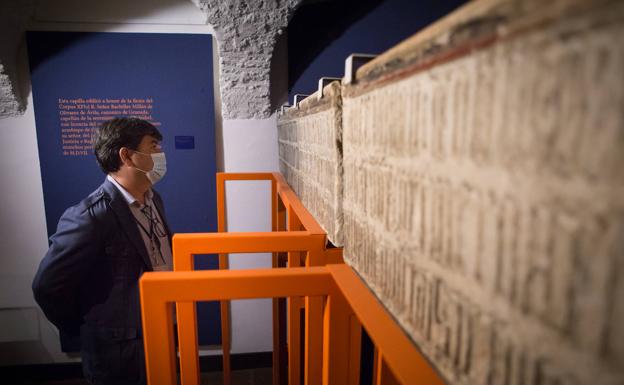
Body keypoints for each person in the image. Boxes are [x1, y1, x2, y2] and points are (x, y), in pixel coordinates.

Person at [32, 117, 173, 385]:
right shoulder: (90, 216)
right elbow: (46, 285)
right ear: (127, 156)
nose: (160, 154)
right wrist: (89, 329)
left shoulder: (155, 199)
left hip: (160, 329)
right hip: (118, 352)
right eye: (154, 146)